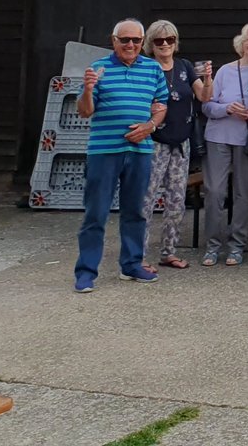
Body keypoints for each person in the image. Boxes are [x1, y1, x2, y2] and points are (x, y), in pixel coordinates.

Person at [73, 19, 168, 292]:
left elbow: (160, 106)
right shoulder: (99, 68)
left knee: (136, 211)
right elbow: (84, 111)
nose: (130, 45)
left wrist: (150, 126)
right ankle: (86, 272)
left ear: (142, 42)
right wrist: (88, 90)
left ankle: (132, 265)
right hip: (104, 151)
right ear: (113, 40)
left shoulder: (152, 68)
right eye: (125, 40)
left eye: (136, 41)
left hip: (140, 151)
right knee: (96, 213)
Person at [139, 19, 213, 271]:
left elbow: (204, 97)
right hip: (154, 142)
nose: (165, 45)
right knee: (146, 200)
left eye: (169, 40)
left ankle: (168, 251)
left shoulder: (184, 67)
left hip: (181, 143)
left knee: (176, 200)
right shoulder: (145, 67)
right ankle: (138, 255)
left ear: (175, 42)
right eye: (159, 41)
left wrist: (208, 78)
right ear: (151, 44)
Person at [201, 22, 248, 266]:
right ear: (240, 43)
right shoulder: (225, 71)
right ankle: (212, 246)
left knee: (243, 193)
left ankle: (236, 245)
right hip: (218, 136)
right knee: (214, 191)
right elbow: (207, 105)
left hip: (247, 139)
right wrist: (227, 108)